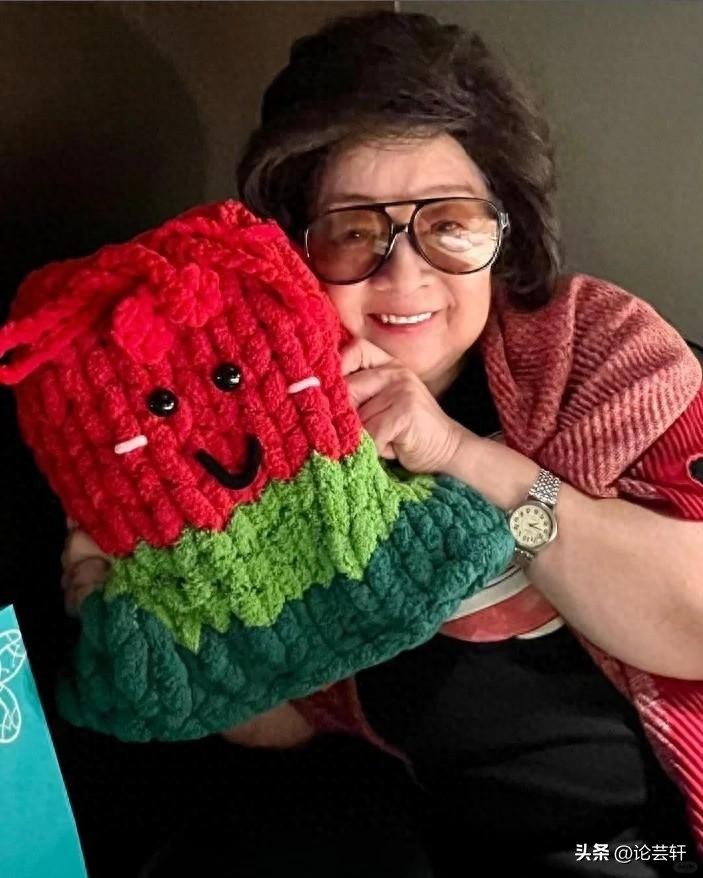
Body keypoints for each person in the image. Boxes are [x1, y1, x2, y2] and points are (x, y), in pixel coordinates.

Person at [62, 10, 703, 876]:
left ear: (504, 229)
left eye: (449, 224)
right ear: (292, 251)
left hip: (654, 837)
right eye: (354, 231)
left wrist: (461, 455)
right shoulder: (264, 438)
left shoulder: (596, 353)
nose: (404, 274)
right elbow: (287, 717)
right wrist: (147, 618)